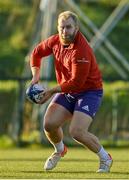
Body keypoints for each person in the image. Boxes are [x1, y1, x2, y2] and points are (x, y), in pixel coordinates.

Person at [30, 11, 113, 173]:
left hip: (89, 92)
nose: (64, 31)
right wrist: (35, 77)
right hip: (68, 89)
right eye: (62, 27)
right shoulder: (55, 41)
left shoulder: (81, 50)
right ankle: (60, 150)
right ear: (58, 27)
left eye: (69, 27)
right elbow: (36, 53)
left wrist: (50, 92)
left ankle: (105, 158)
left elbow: (76, 83)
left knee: (77, 132)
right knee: (49, 124)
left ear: (76, 28)